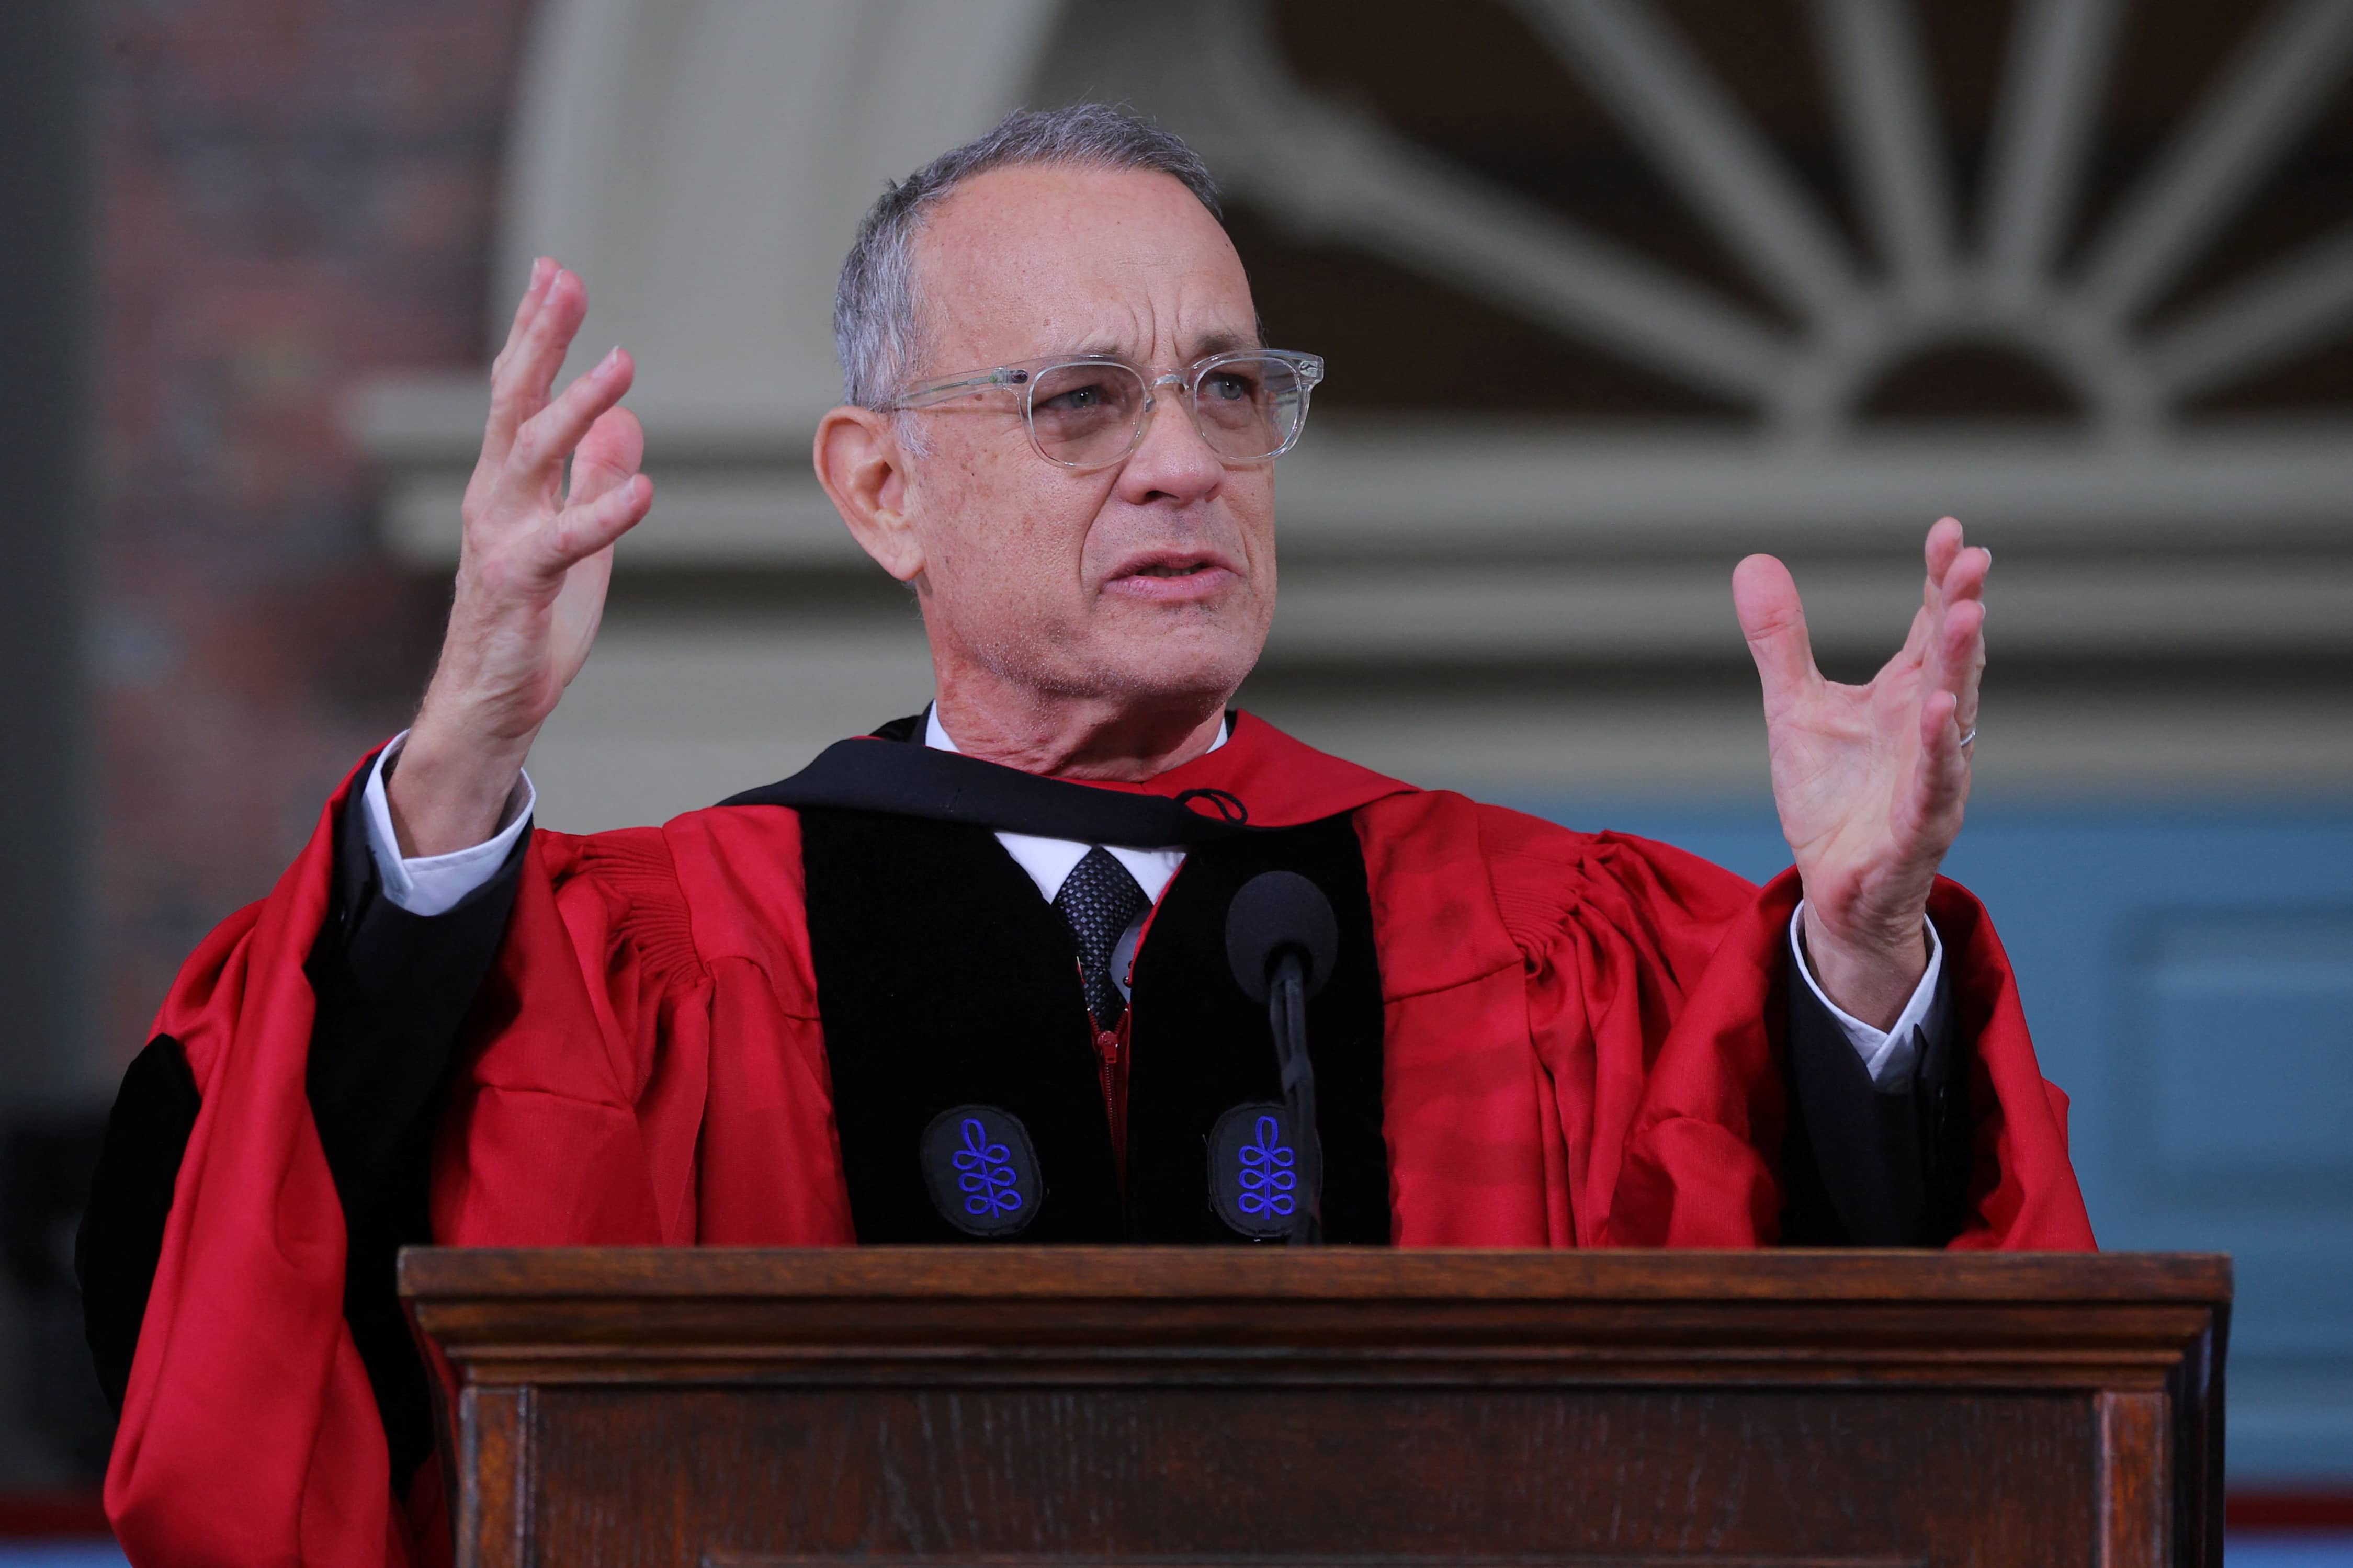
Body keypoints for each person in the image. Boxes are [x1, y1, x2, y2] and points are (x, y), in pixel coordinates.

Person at [78, 106, 2091, 1567]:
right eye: (1079, 401)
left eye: (1228, 389)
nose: (1181, 466)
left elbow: (1872, 1385)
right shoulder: (647, 957)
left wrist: (1858, 949)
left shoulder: (1552, 936)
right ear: (883, 491)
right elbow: (263, 1271)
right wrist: (459, 755)